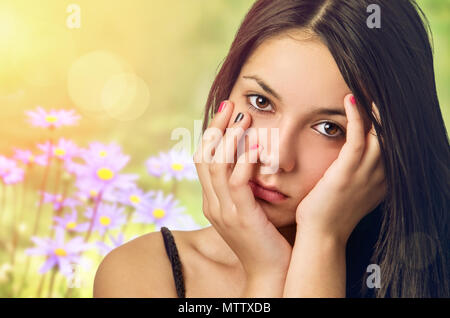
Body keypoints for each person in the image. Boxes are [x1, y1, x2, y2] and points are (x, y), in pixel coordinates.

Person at [93, 0, 449, 298]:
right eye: (261, 101)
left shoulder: (429, 274)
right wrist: (266, 272)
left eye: (329, 128)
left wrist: (322, 239)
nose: (276, 157)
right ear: (227, 91)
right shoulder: (145, 274)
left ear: (384, 144)